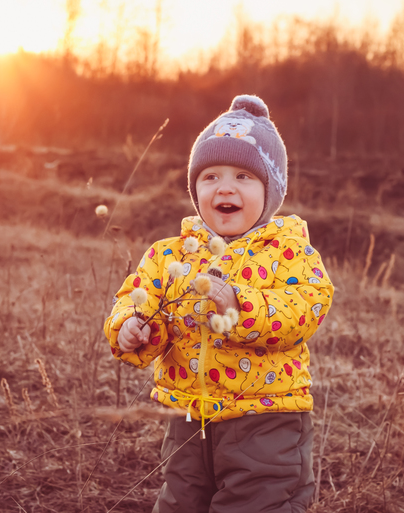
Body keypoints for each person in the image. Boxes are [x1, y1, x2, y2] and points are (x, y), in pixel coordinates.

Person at [104, 94, 335, 513]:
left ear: (271, 190)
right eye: (210, 176)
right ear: (196, 190)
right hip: (188, 418)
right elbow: (135, 298)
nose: (225, 187)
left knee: (259, 503)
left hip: (266, 419)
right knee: (180, 502)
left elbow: (304, 308)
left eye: (244, 177)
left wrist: (240, 306)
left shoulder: (290, 252)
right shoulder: (169, 254)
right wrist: (133, 327)